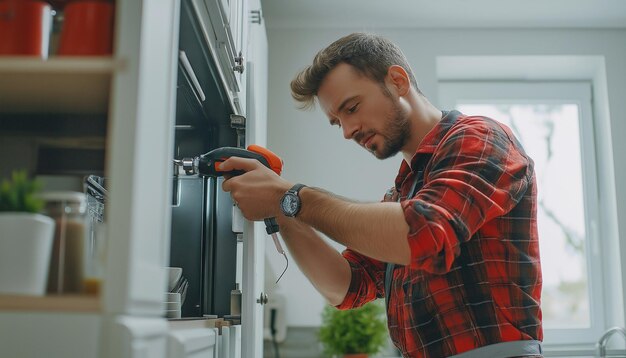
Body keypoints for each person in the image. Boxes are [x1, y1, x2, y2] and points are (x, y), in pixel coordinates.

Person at [219, 33, 543, 358]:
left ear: (397, 81)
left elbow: (422, 233)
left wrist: (293, 196)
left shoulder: (480, 138)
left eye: (352, 107)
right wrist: (281, 208)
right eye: (337, 122)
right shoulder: (400, 195)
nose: (347, 131)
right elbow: (343, 287)